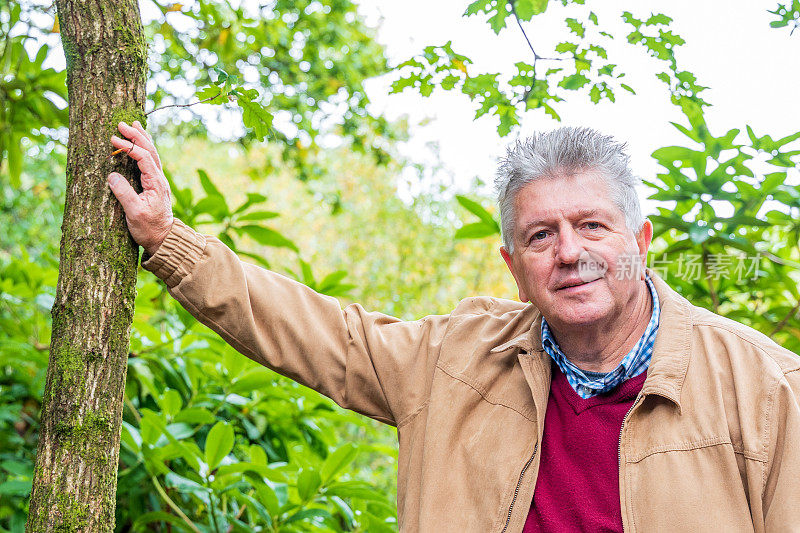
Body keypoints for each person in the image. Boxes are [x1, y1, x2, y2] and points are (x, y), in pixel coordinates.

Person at [107, 122, 800, 532]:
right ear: (512, 263)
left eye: (592, 224)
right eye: (540, 234)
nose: (569, 252)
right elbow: (319, 333)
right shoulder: (454, 359)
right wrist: (169, 240)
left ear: (639, 239)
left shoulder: (766, 390)